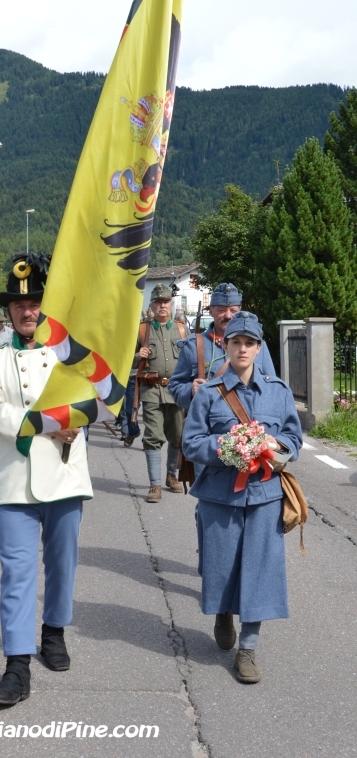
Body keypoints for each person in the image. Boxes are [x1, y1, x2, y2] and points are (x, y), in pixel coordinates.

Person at [0, 253, 92, 707]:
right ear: (8, 311)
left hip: (64, 473)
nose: (28, 312)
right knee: (18, 573)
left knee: (62, 565)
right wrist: (45, 422)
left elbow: (91, 399)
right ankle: (17, 667)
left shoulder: (71, 355)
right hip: (15, 481)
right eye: (19, 306)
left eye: (37, 303)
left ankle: (54, 631)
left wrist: (81, 416)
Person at [181, 311, 302, 684]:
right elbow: (191, 443)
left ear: (259, 346)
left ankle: (248, 649)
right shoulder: (209, 394)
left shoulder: (279, 392)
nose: (243, 348)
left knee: (261, 571)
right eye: (236, 342)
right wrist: (227, 446)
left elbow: (294, 441)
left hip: (265, 496)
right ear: (226, 346)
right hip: (220, 495)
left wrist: (273, 444)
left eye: (250, 343)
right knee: (222, 567)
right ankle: (222, 613)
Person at [168, 283, 276, 412]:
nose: (228, 316)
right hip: (209, 422)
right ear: (211, 311)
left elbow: (271, 386)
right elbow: (175, 386)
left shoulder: (257, 345)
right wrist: (190, 390)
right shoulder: (193, 345)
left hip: (250, 421)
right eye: (221, 310)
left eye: (233, 311)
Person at [135, 285, 188, 502]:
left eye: (165, 302)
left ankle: (171, 476)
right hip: (151, 390)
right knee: (153, 436)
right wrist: (138, 355)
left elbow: (193, 359)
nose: (162, 306)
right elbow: (125, 361)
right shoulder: (141, 330)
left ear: (171, 304)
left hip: (176, 390)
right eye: (158, 303)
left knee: (176, 436)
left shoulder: (182, 329)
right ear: (152, 306)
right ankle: (154, 484)